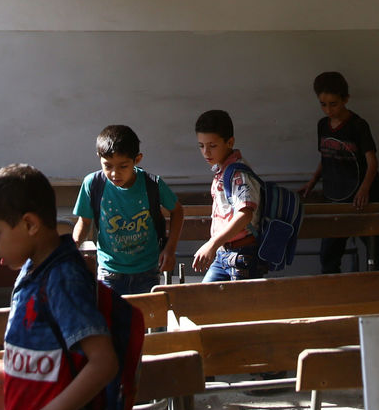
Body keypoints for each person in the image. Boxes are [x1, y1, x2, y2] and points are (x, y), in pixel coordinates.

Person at [0, 164, 121, 410]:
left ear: (29, 224)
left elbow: (103, 363)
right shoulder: (34, 268)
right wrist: (10, 369)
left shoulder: (62, 277)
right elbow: (55, 354)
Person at [71, 124, 186, 295]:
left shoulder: (152, 184)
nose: (115, 174)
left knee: (150, 319)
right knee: (111, 320)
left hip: (147, 270)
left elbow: (178, 211)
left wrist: (170, 249)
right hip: (109, 271)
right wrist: (72, 249)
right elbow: (84, 221)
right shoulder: (92, 184)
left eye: (123, 166)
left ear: (137, 159)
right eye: (108, 166)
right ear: (99, 158)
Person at [298, 71, 379, 272]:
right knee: (329, 257)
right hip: (335, 196)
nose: (328, 110)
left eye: (333, 104)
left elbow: (372, 162)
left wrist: (364, 189)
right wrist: (312, 182)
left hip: (363, 199)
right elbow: (326, 157)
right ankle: (335, 300)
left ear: (346, 99)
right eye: (323, 104)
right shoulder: (322, 125)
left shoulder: (358, 125)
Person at [192, 108, 264, 281]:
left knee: (240, 306)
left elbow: (245, 215)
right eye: (201, 146)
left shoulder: (238, 174)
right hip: (223, 253)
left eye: (212, 146)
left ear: (230, 142)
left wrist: (211, 244)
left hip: (241, 256)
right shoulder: (222, 170)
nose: (206, 152)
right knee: (205, 300)